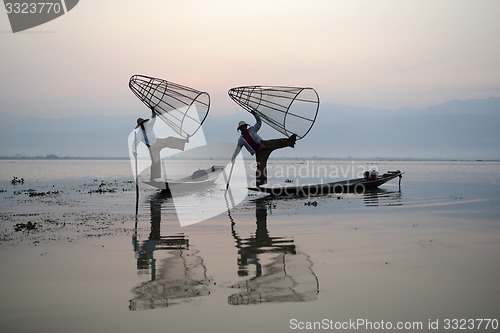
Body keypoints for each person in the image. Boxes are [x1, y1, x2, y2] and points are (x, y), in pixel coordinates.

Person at [231, 111, 296, 186]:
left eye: (244, 127)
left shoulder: (252, 129)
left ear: (246, 126)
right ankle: (260, 184)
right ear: (240, 129)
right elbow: (238, 149)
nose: (244, 128)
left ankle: (291, 141)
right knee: (261, 167)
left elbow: (259, 122)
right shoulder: (241, 139)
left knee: (277, 142)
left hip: (264, 144)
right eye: (242, 128)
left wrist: (255, 114)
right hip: (259, 152)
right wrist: (233, 157)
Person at [133, 110, 189, 181]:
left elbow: (153, 119)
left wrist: (153, 112)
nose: (143, 125)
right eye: (141, 124)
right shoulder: (139, 134)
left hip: (157, 141)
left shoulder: (149, 126)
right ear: (139, 125)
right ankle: (153, 178)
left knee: (169, 140)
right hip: (152, 147)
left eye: (143, 123)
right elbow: (134, 143)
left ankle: (184, 141)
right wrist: (134, 151)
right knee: (155, 161)